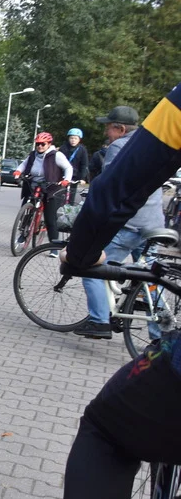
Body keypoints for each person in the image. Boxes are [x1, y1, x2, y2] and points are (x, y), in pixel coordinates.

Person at [58, 84, 181, 499]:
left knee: (106, 427)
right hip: (154, 224)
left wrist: (82, 254)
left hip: (128, 222)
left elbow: (118, 188)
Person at [72, 107, 164, 339]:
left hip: (130, 224)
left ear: (121, 129)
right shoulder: (153, 144)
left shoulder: (119, 146)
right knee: (151, 279)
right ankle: (161, 335)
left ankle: (99, 321)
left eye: (109, 127)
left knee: (90, 266)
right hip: (154, 223)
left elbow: (112, 187)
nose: (106, 132)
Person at [13, 132, 73, 255]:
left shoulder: (56, 155)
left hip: (51, 187)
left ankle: (54, 247)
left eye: (42, 144)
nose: (39, 146)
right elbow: (24, 164)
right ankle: (24, 234)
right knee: (25, 210)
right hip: (34, 184)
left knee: (51, 219)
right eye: (37, 144)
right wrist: (18, 171)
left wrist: (66, 180)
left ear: (49, 144)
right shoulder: (33, 154)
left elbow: (68, 168)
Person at [61, 128, 89, 205]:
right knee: (60, 195)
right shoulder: (63, 148)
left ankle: (69, 209)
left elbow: (84, 165)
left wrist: (82, 178)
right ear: (68, 138)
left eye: (75, 138)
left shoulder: (82, 150)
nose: (73, 140)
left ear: (79, 139)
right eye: (71, 138)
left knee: (71, 197)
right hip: (63, 176)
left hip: (75, 177)